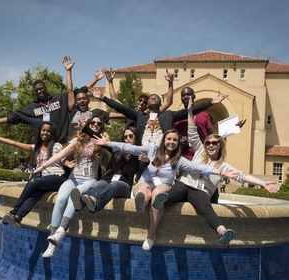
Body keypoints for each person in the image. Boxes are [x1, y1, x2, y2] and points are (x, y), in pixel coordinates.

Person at [152, 97, 279, 248]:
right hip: (185, 183)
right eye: (209, 143)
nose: (211, 145)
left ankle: (224, 232)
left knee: (206, 209)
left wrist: (262, 183)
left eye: (214, 143)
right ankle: (163, 198)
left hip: (201, 191)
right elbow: (192, 131)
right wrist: (191, 110)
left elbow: (242, 176)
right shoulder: (199, 150)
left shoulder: (223, 166)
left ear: (219, 146)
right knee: (175, 191)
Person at [91, 128, 238, 250]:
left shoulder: (179, 160)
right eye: (169, 139)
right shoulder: (152, 150)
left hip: (163, 185)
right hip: (146, 181)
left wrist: (220, 172)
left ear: (178, 143)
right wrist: (108, 143)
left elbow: (198, 167)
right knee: (143, 189)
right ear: (164, 140)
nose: (171, 142)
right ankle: (141, 200)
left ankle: (151, 234)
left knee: (157, 195)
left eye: (175, 140)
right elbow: (131, 147)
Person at [33, 115, 109, 258]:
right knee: (60, 200)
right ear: (88, 124)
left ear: (101, 127)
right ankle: (52, 244)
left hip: (89, 180)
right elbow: (60, 154)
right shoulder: (77, 140)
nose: (95, 125)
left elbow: (109, 167)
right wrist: (42, 167)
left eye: (99, 123)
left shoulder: (103, 144)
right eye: (92, 122)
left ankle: (61, 232)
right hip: (73, 178)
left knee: (73, 198)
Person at [0, 56, 107, 143]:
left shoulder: (60, 99)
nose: (39, 91)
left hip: (63, 143)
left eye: (41, 88)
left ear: (46, 88)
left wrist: (95, 79)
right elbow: (11, 119)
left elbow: (78, 92)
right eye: (36, 90)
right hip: (45, 147)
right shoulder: (31, 109)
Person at [89, 86, 226, 147]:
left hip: (162, 154)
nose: (153, 98)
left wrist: (210, 103)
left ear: (161, 103)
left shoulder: (168, 115)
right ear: (148, 104)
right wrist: (103, 98)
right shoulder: (141, 116)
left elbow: (190, 110)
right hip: (143, 153)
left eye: (156, 97)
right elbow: (121, 108)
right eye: (151, 97)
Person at [0, 122, 67, 227]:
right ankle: (18, 217)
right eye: (44, 130)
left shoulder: (57, 146)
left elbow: (63, 157)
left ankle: (13, 212)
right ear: (40, 131)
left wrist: (67, 162)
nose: (45, 132)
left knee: (33, 182)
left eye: (48, 131)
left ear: (52, 133)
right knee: (35, 194)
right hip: (43, 179)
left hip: (57, 178)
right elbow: (13, 143)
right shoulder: (36, 148)